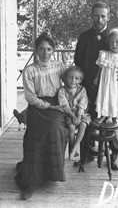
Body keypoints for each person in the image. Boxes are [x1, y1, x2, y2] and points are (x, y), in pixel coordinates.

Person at [15, 33, 69, 200]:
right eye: (42, 49)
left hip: (56, 103)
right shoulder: (30, 70)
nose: (46, 53)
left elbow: (71, 84)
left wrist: (69, 105)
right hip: (37, 106)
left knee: (54, 128)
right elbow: (30, 97)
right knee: (35, 134)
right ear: (36, 50)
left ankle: (49, 172)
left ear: (53, 50)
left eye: (49, 49)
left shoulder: (60, 66)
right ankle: (31, 180)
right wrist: (48, 106)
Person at [74, 2, 118, 170]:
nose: (99, 19)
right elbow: (77, 60)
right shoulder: (84, 37)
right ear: (91, 16)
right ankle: (86, 154)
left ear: (107, 17)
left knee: (108, 122)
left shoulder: (113, 36)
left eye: (103, 16)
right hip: (88, 84)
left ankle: (113, 156)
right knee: (87, 119)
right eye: (96, 15)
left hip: (108, 88)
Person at [58, 65, 91, 160]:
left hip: (82, 113)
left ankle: (75, 147)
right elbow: (64, 106)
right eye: (70, 77)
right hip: (69, 114)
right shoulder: (62, 91)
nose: (73, 80)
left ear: (80, 80)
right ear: (66, 78)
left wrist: (79, 117)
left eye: (76, 78)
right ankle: (72, 150)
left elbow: (82, 104)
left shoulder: (82, 90)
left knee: (83, 125)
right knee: (71, 127)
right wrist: (73, 116)